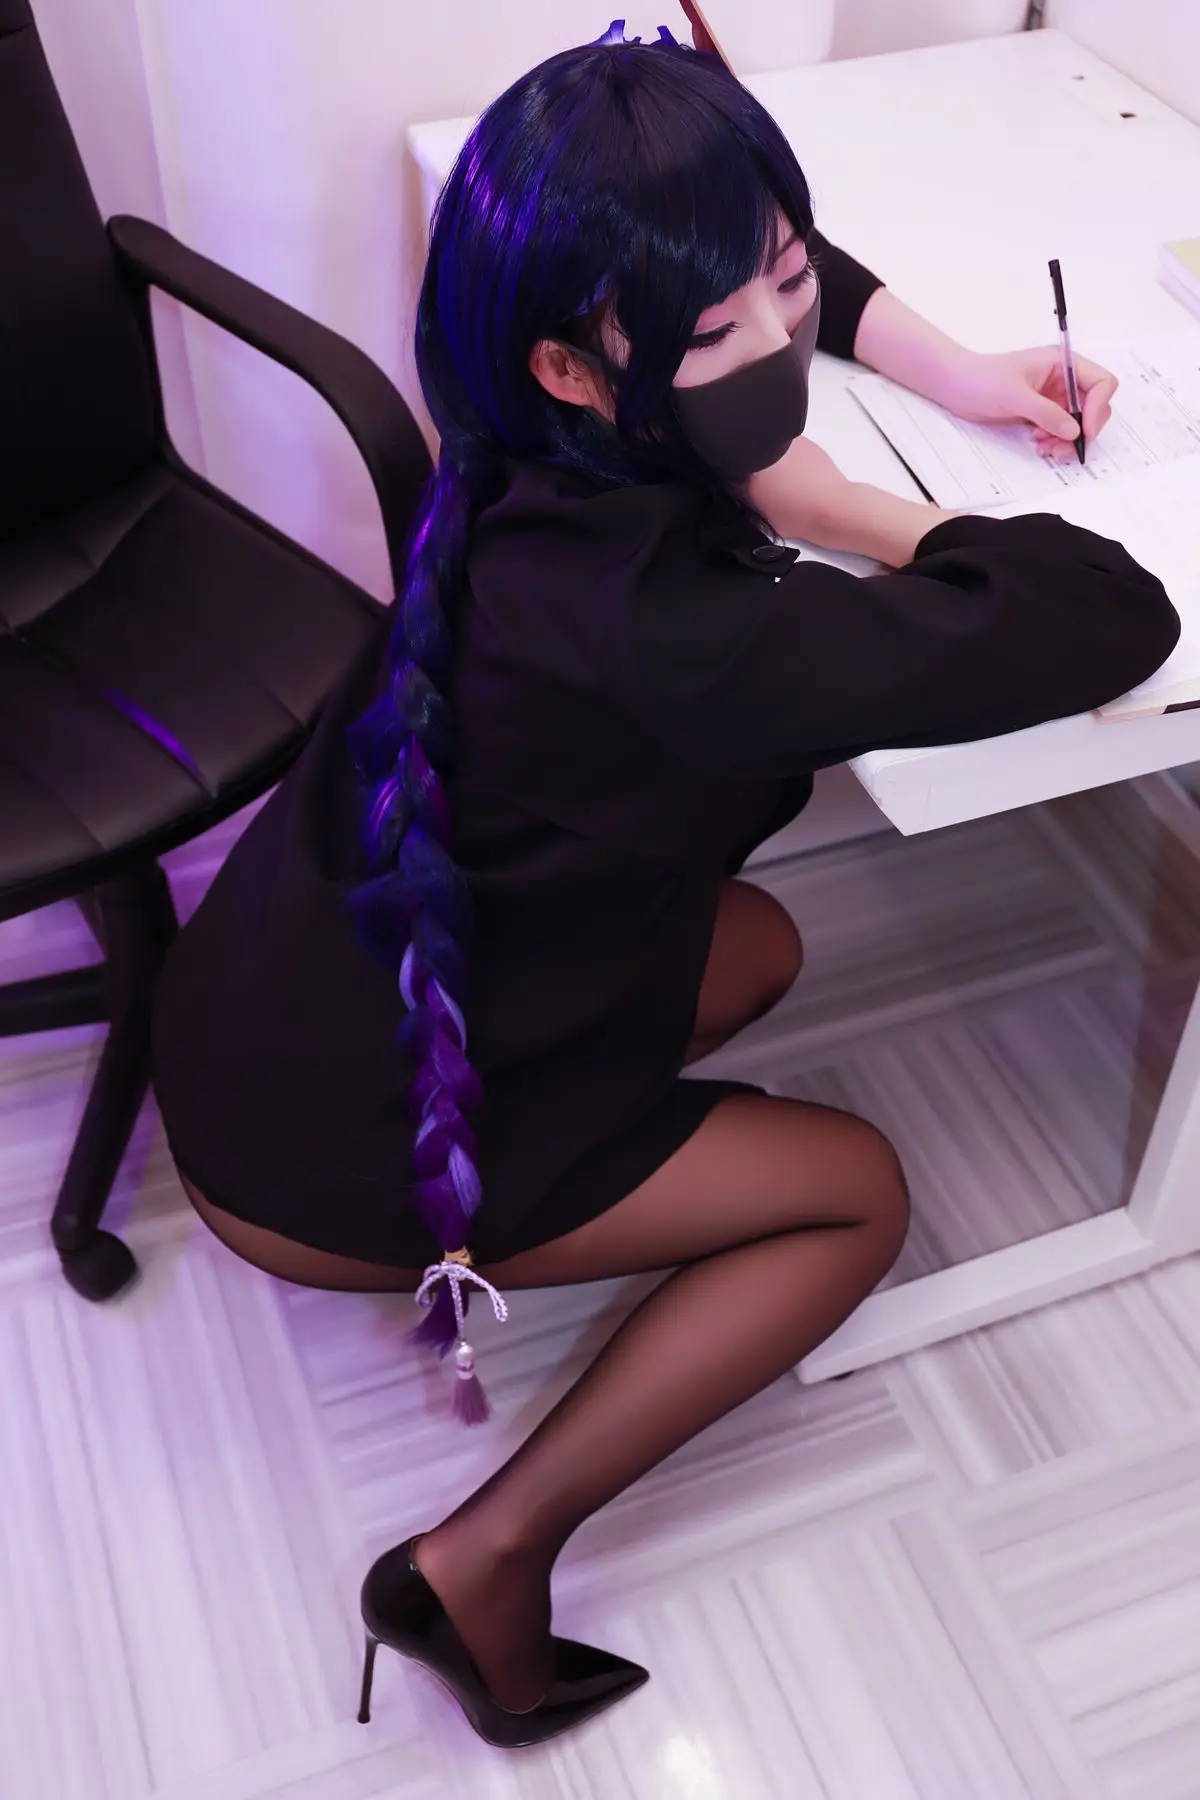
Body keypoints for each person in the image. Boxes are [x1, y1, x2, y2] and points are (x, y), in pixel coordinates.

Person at [150, 29, 1179, 1750]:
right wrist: (854, 507)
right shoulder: (675, 636)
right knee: (856, 1194)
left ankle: (584, 1173)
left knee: (754, 945)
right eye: (719, 334)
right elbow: (1108, 614)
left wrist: (956, 368)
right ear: (575, 363)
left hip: (278, 995)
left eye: (786, 289)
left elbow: (760, 262)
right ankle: (481, 1559)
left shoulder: (517, 430)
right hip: (331, 1146)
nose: (777, 333)